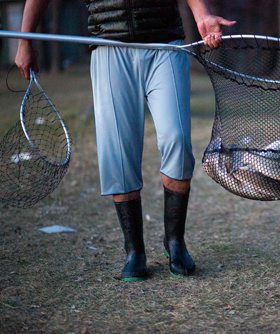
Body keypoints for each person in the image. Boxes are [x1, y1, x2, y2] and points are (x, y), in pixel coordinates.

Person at [16, 0, 236, 281]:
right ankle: (134, 252)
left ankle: (175, 243)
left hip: (165, 45)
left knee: (178, 141)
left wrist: (202, 15)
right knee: (117, 153)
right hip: (110, 47)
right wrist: (24, 40)